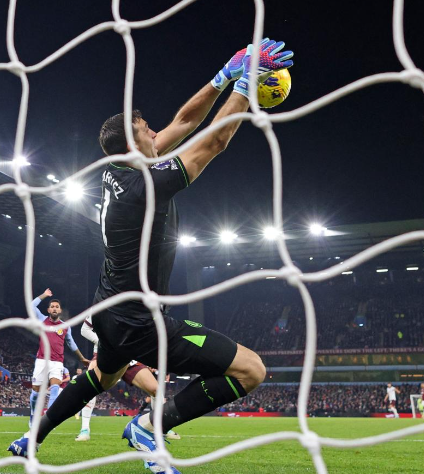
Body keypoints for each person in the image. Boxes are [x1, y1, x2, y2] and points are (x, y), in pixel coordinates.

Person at [8, 38, 294, 474]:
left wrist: (225, 74)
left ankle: (33, 438)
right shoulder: (146, 186)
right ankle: (148, 427)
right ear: (132, 143)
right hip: (141, 323)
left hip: (109, 311)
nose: (155, 133)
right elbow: (214, 141)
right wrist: (246, 87)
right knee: (251, 370)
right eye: (146, 130)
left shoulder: (117, 170)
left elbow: (184, 121)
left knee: (99, 378)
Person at [74, 314, 179, 441]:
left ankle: (161, 427)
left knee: (155, 389)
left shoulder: (134, 308)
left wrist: (147, 357)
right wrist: (104, 342)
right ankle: (85, 430)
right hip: (104, 354)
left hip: (128, 356)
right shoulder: (101, 306)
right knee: (89, 388)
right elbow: (84, 330)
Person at [27, 289, 89, 428]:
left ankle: (47, 420)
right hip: (42, 360)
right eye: (52, 306)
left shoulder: (65, 327)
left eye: (57, 307)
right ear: (49, 310)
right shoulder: (42, 320)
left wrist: (82, 358)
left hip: (57, 362)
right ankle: (32, 415)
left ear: (60, 310)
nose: (54, 308)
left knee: (55, 388)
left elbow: (71, 343)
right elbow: (31, 306)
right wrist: (44, 295)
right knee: (35, 393)